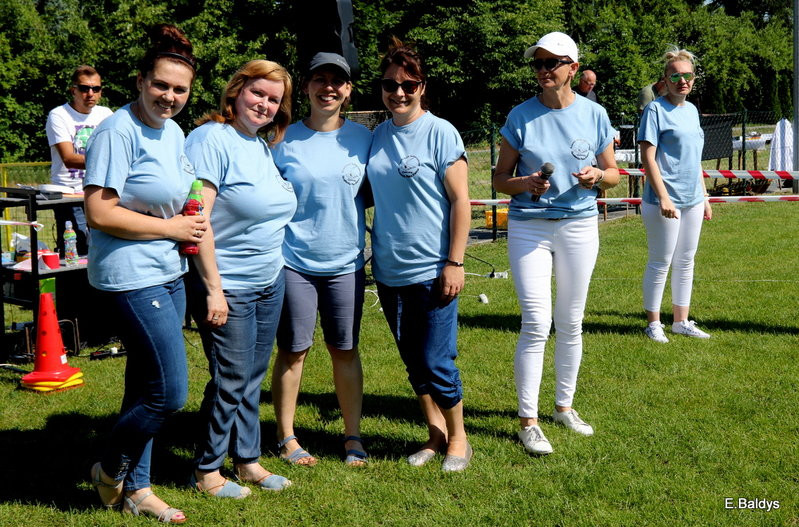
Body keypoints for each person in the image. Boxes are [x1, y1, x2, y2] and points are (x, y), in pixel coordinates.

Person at [84, 24, 202, 523]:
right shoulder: (118, 130)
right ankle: (109, 469)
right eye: (161, 85)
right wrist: (172, 226)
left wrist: (186, 218)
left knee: (143, 385)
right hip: (130, 276)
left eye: (179, 89)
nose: (169, 96)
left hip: (168, 270)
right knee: (170, 393)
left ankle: (139, 488)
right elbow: (99, 211)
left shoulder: (172, 131)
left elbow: (171, 195)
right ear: (140, 82)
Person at [492, 31, 619, 456]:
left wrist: (597, 177)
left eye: (551, 63)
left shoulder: (595, 114)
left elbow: (614, 173)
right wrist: (524, 183)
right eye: (538, 63)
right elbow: (498, 178)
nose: (543, 70)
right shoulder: (520, 116)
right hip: (530, 227)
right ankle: (529, 421)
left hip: (579, 227)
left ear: (573, 69)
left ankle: (564, 406)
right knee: (535, 321)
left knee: (571, 321)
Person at [184, 59, 296, 496]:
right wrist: (213, 288)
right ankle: (207, 469)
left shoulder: (259, 145)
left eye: (274, 99)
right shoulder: (212, 138)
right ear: (236, 91)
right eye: (258, 93)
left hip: (269, 279)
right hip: (226, 283)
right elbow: (197, 217)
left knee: (251, 375)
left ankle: (247, 460)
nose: (265, 104)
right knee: (230, 377)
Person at [367, 37, 472, 472]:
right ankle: (434, 434)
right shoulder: (376, 136)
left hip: (433, 269)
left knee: (436, 359)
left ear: (422, 86)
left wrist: (455, 262)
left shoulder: (440, 131)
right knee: (413, 359)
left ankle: (459, 440)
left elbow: (461, 201)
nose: (400, 92)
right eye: (391, 84)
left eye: (409, 84)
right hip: (389, 270)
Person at [271, 52, 372, 467]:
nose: (328, 87)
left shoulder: (365, 138)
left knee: (344, 349)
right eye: (319, 79)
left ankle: (353, 437)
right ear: (307, 86)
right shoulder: (282, 140)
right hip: (293, 261)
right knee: (294, 350)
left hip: (347, 263)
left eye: (338, 81)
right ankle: (286, 437)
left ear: (348, 90)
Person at [638, 47, 712, 344]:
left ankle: (681, 321)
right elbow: (648, 157)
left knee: (686, 260)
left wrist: (704, 195)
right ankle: (653, 323)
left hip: (692, 198)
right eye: (676, 76)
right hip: (662, 201)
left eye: (687, 76)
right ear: (665, 80)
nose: (683, 81)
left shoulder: (692, 110)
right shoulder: (654, 110)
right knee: (661, 260)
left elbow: (694, 161)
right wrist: (664, 198)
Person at [45, 65, 113, 256]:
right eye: (84, 88)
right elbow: (69, 158)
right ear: (73, 90)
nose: (90, 93)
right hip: (70, 195)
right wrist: (110, 161)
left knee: (105, 247)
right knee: (77, 251)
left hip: (101, 191)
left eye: (96, 89)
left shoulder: (106, 114)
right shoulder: (59, 115)